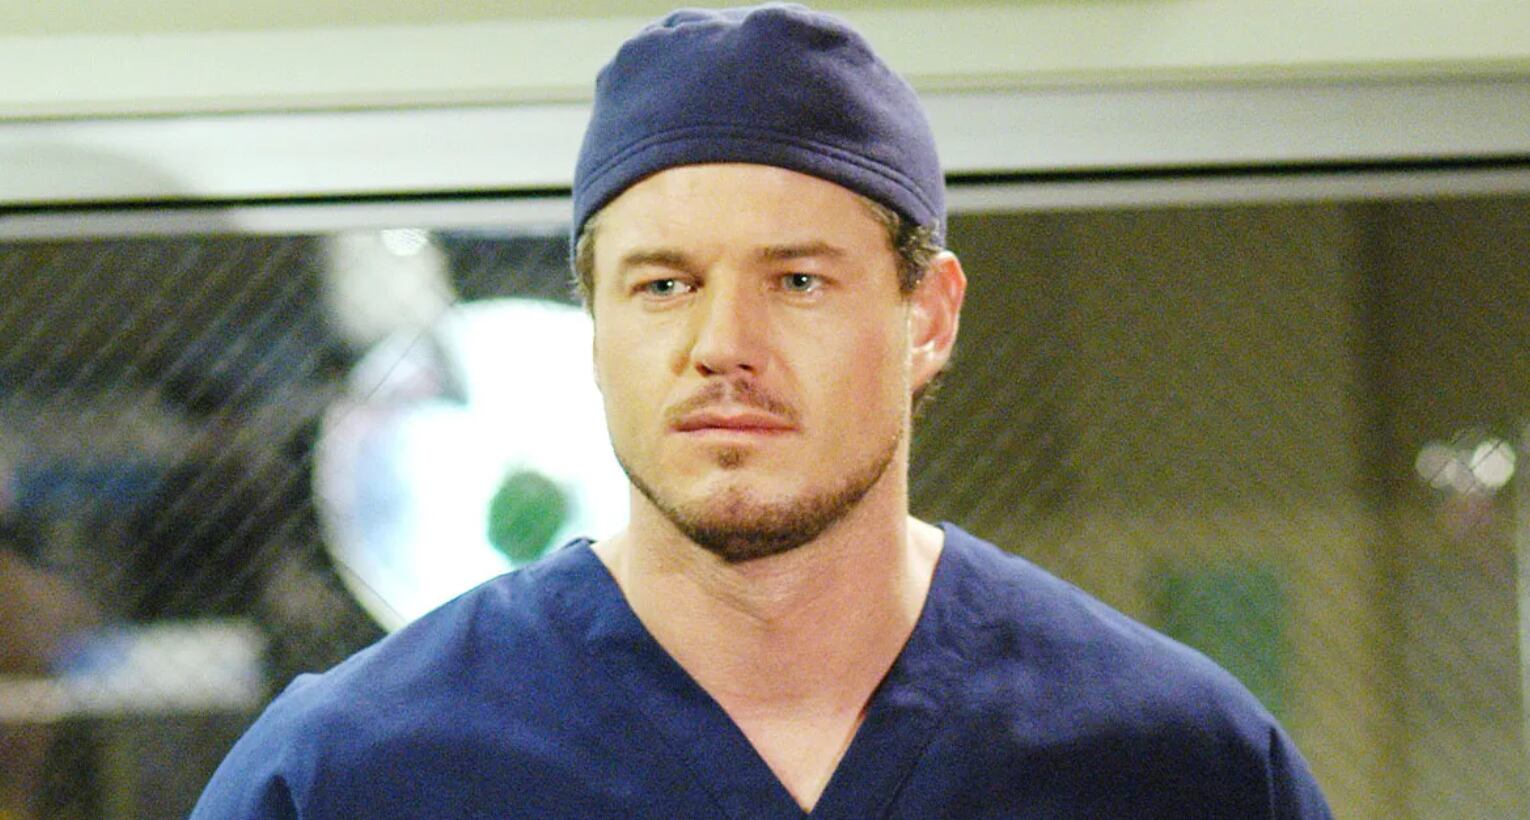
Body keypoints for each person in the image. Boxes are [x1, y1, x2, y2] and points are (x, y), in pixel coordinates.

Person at [193, 4, 1332, 817]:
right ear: (592, 328)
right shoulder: (356, 773)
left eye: (796, 280)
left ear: (928, 317)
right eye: (662, 286)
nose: (721, 345)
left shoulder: (1169, 759)